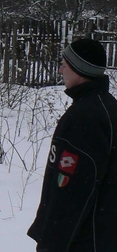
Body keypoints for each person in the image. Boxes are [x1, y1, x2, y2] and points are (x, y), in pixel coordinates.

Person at [27, 37, 117, 251]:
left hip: (85, 240)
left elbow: (70, 192)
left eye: (64, 65)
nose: (60, 70)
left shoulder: (83, 118)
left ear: (78, 70)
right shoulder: (109, 107)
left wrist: (50, 244)